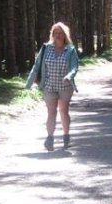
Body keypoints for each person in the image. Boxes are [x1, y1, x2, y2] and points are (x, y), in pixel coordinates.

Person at [25, 21, 79, 151]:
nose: (58, 35)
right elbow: (36, 65)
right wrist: (29, 83)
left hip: (65, 87)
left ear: (65, 35)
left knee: (64, 112)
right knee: (51, 112)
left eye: (61, 33)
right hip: (49, 85)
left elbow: (74, 66)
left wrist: (69, 76)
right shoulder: (46, 48)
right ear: (52, 34)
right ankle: (50, 138)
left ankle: (66, 137)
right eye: (56, 33)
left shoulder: (70, 50)